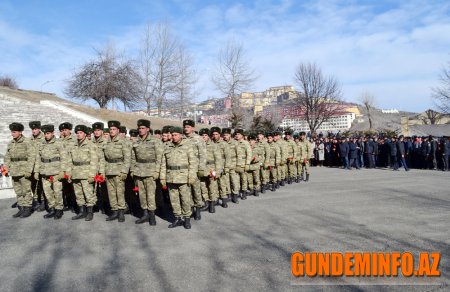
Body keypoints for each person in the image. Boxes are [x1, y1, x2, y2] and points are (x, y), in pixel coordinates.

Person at [160, 126, 198, 229]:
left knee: (185, 199)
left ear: (181, 135)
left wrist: (191, 176)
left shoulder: (188, 146)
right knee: (174, 199)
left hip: (183, 177)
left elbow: (193, 163)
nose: (174, 137)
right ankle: (177, 218)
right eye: (172, 135)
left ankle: (186, 219)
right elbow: (163, 164)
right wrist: (162, 178)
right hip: (171, 177)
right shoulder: (167, 147)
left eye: (176, 135)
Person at [131, 119, 163, 225]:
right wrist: (132, 170)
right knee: (141, 194)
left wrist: (157, 171)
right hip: (138, 171)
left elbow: (159, 158)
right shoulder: (135, 141)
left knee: (150, 194)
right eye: (139, 128)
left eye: (143, 128)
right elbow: (133, 158)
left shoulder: (155, 141)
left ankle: (152, 215)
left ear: (148, 129)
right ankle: (145, 214)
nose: (140, 130)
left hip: (150, 172)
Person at [35, 124, 69, 219]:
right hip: (44, 172)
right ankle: (52, 209)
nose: (46, 135)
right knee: (47, 193)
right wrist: (37, 171)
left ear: (53, 133)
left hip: (56, 173)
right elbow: (38, 158)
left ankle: (59, 209)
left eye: (48, 133)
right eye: (45, 134)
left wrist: (63, 171)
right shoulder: (41, 144)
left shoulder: (59, 143)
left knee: (57, 192)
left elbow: (64, 158)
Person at [68, 125, 99, 221]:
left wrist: (92, 175)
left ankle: (90, 212)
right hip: (76, 173)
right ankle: (82, 212)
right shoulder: (73, 145)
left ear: (85, 134)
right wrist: (69, 173)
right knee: (78, 194)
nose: (78, 134)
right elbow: (69, 160)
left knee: (89, 194)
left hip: (86, 173)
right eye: (77, 133)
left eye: (80, 133)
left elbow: (94, 161)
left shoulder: (91, 145)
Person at [5, 122, 36, 218]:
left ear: (20, 132)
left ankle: (27, 208)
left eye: (14, 132)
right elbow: (7, 157)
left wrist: (29, 170)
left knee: (26, 190)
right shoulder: (11, 143)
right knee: (18, 191)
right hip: (14, 171)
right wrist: (7, 168)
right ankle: (21, 208)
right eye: (12, 132)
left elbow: (32, 157)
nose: (12, 134)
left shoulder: (27, 142)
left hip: (24, 171)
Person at [103, 121, 131, 222]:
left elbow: (127, 158)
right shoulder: (106, 141)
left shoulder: (123, 141)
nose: (111, 131)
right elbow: (103, 158)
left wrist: (124, 171)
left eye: (114, 129)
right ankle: (114, 211)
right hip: (108, 170)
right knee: (111, 193)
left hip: (119, 170)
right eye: (110, 129)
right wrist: (103, 171)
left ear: (118, 130)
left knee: (120, 192)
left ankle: (121, 211)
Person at [183, 119, 206, 219]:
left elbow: (203, 155)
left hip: (195, 168)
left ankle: (198, 209)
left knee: (196, 190)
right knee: (187, 190)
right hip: (184, 169)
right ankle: (191, 208)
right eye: (185, 127)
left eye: (188, 127)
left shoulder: (198, 139)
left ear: (192, 128)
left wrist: (201, 169)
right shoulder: (182, 138)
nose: (186, 129)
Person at [199, 128, 222, 213]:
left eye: (205, 135)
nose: (204, 137)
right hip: (201, 169)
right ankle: (206, 203)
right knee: (203, 186)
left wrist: (218, 171)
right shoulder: (198, 145)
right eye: (202, 135)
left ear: (208, 136)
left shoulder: (214, 145)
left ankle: (212, 204)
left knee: (212, 187)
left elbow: (218, 159)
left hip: (211, 169)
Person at [210, 127, 231, 207]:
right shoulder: (210, 144)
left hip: (222, 166)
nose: (215, 136)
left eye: (216, 134)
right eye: (213, 134)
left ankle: (224, 200)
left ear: (219, 135)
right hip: (213, 167)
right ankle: (215, 200)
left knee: (222, 184)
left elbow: (228, 157)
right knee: (214, 184)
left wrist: (226, 168)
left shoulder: (224, 144)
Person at [29, 121, 46, 212]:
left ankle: (43, 202)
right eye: (32, 129)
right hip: (31, 166)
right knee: (33, 185)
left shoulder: (44, 138)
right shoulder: (29, 140)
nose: (34, 131)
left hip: (41, 166)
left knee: (42, 185)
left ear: (39, 129)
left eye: (35, 129)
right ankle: (37, 202)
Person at [222, 128, 240, 203]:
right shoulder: (221, 143)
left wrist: (239, 165)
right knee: (226, 180)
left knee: (234, 180)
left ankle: (235, 195)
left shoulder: (235, 143)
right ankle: (228, 194)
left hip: (233, 164)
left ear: (230, 135)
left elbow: (239, 154)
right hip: (224, 164)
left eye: (227, 135)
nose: (225, 136)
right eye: (224, 135)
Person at [234, 128, 252, 199]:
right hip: (235, 164)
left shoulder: (245, 143)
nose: (237, 135)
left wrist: (247, 164)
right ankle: (237, 192)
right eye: (236, 134)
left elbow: (249, 154)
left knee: (244, 178)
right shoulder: (234, 142)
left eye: (239, 134)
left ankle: (244, 192)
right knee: (236, 179)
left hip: (243, 164)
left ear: (242, 135)